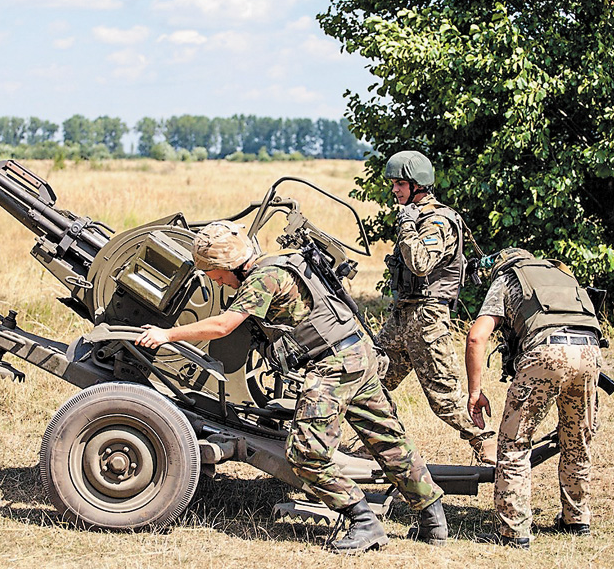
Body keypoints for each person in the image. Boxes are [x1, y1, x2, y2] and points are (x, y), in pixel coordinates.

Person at [136, 221, 447, 552]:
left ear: (228, 265)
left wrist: (166, 335)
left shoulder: (262, 279)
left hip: (333, 364)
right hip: (357, 353)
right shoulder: (281, 262)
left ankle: (364, 522)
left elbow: (224, 325)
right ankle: (434, 521)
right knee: (387, 439)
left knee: (306, 453)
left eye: (214, 274)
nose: (217, 282)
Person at [465, 248, 604, 549]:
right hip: (591, 352)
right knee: (576, 440)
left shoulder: (507, 278)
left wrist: (475, 392)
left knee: (514, 444)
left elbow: (477, 336)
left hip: (546, 352)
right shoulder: (562, 273)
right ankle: (577, 519)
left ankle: (513, 532)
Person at [375, 150, 496, 464]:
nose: (394, 190)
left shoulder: (437, 219)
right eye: (393, 183)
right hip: (402, 315)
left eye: (400, 183)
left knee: (443, 396)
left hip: (428, 318)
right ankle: (379, 442)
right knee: (370, 381)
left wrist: (406, 225)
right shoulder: (415, 215)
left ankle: (484, 442)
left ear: (417, 184)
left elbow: (420, 263)